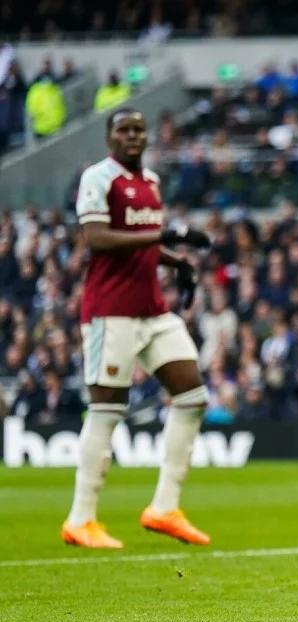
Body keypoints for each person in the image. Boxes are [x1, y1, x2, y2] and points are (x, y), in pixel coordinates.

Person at [62, 107, 214, 550]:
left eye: (139, 130)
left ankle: (164, 507)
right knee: (107, 409)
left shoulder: (150, 181)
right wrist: (164, 237)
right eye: (123, 130)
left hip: (152, 308)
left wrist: (176, 262)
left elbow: (144, 245)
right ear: (109, 137)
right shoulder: (98, 178)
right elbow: (98, 239)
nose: (132, 136)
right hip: (111, 311)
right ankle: (80, 518)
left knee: (192, 396)